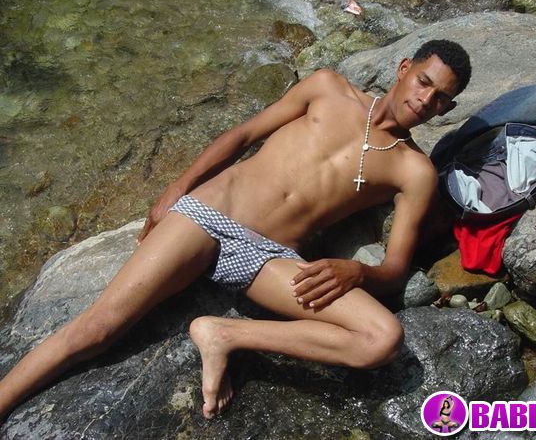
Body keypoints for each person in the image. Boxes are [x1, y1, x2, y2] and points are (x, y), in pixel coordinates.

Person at [0, 39, 471, 421]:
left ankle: (224, 334)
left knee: (381, 338)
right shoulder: (328, 87)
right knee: (97, 331)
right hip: (210, 215)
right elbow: (242, 136)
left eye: (440, 98)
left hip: (269, 257)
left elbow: (394, 270)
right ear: (404, 68)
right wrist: (177, 188)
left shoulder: (414, 171)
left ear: (447, 108)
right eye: (423, 82)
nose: (425, 100)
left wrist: (357, 272)